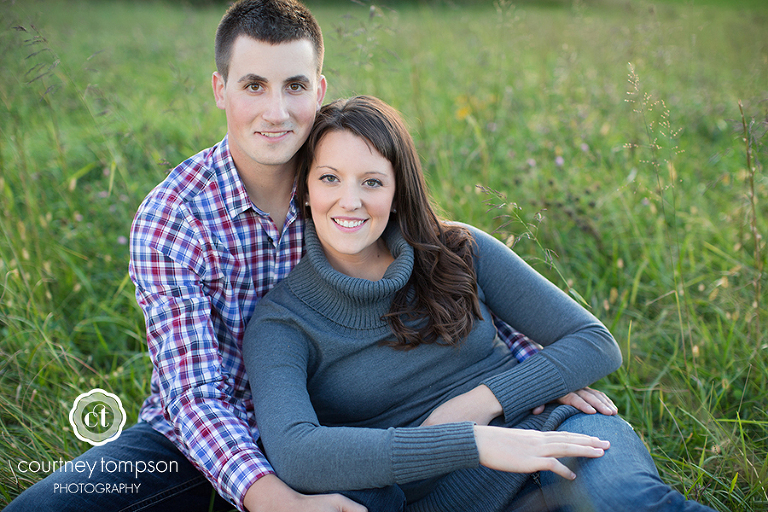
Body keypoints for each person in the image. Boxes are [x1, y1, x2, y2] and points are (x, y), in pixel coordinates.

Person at [4, 2, 540, 511]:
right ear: (220, 89)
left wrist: (534, 370)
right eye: (253, 85)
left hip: (338, 431)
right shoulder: (173, 218)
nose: (276, 111)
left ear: (319, 89)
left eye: (295, 86)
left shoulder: (344, 182)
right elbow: (192, 395)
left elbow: (442, 266)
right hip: (200, 443)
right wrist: (268, 496)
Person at [242, 95, 718, 512]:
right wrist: (471, 442)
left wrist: (482, 404)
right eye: (330, 178)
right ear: (303, 191)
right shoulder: (282, 321)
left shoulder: (458, 250)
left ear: (397, 190)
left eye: (372, 182)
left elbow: (594, 342)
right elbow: (297, 451)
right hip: (435, 497)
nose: (350, 201)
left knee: (628, 503)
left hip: (549, 436)